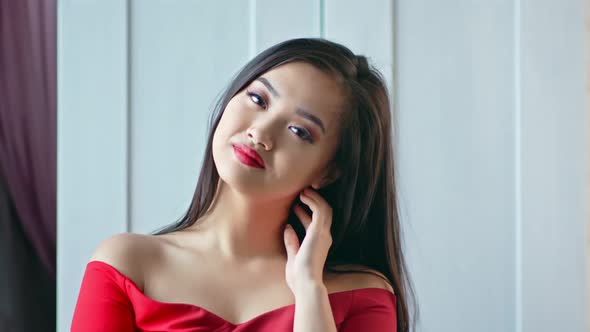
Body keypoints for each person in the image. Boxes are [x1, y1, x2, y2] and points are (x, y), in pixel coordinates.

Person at [71, 38, 417, 332]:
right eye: (258, 99)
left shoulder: (362, 295)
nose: (261, 133)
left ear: (329, 171)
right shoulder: (129, 264)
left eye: (299, 131)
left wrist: (310, 289)